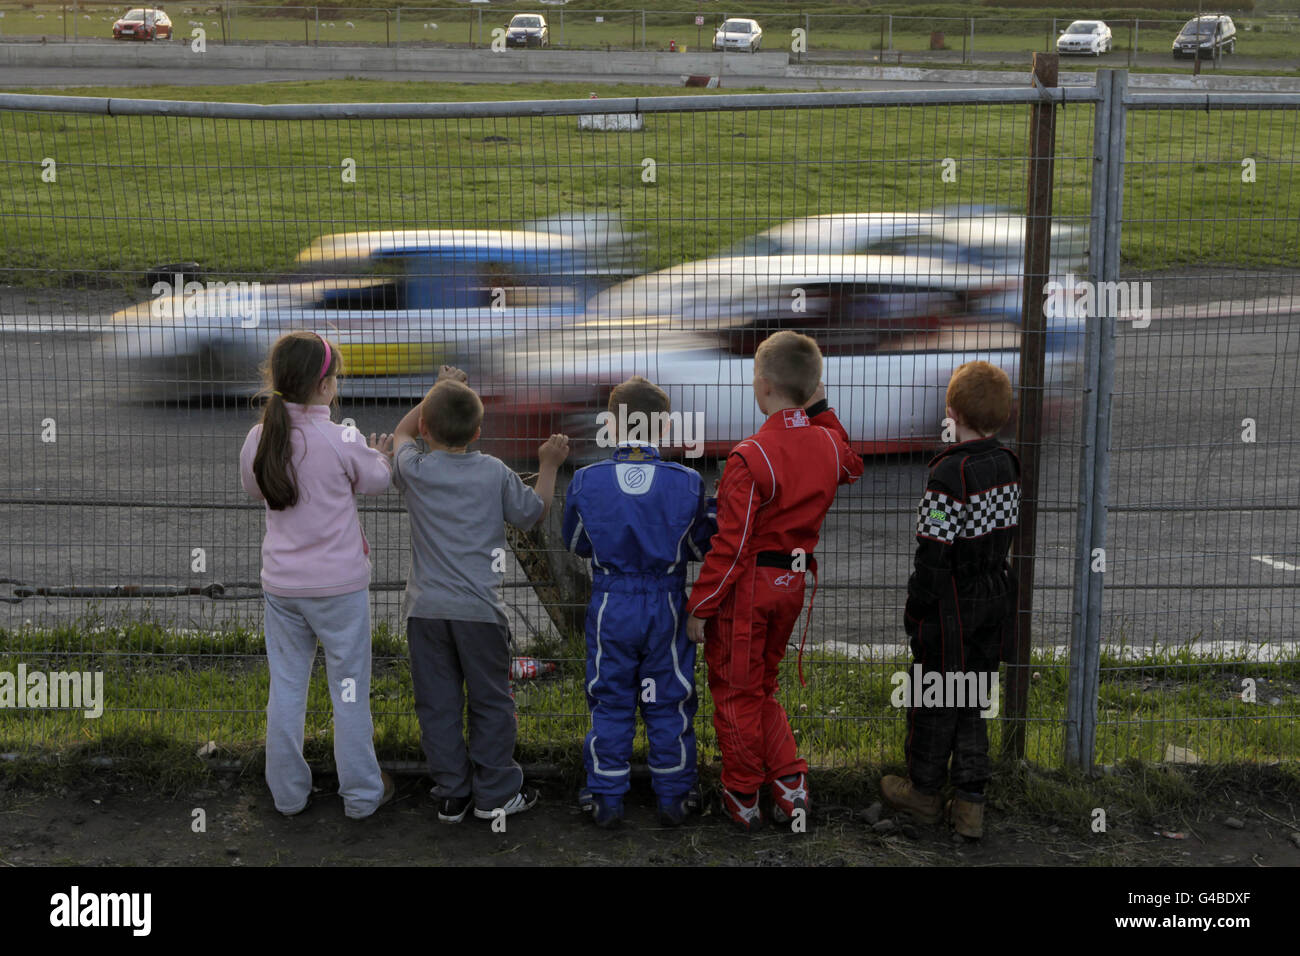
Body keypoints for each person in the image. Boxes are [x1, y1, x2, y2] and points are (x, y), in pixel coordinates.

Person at [685, 331, 864, 831]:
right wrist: (819, 407)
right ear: (811, 388)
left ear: (761, 386)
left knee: (736, 690)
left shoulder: (751, 456)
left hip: (748, 591)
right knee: (761, 688)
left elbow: (732, 544)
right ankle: (789, 782)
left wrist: (702, 603)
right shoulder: (828, 444)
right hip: (793, 585)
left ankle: (742, 792)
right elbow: (853, 463)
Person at [391, 365, 569, 824]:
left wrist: (437, 390)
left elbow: (400, 432)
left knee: (438, 702)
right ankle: (495, 792)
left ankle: (451, 792)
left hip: (425, 612)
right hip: (480, 613)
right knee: (491, 700)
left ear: (426, 427)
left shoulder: (415, 468)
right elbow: (533, 513)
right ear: (478, 430)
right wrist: (548, 465)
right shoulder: (493, 471)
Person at [239, 330, 396, 819]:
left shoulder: (258, 438)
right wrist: (382, 454)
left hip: (282, 587)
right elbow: (378, 481)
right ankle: (362, 795)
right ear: (325, 385)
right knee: (348, 688)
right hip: (340, 590)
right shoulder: (342, 438)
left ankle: (287, 795)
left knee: (286, 686)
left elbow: (255, 487)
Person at [562, 376, 716, 828]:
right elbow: (698, 546)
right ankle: (675, 794)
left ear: (610, 423)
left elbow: (576, 542)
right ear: (664, 427)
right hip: (666, 602)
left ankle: (605, 795)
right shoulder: (687, 482)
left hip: (611, 600)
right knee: (668, 697)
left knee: (610, 697)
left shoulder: (587, 480)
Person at [881, 360, 1021, 840]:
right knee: (975, 700)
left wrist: (918, 607)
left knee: (933, 700)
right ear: (1003, 416)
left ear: (951, 411)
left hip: (951, 607)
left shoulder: (948, 474)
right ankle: (970, 807)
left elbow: (934, 551)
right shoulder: (1008, 464)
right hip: (994, 598)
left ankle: (921, 794)